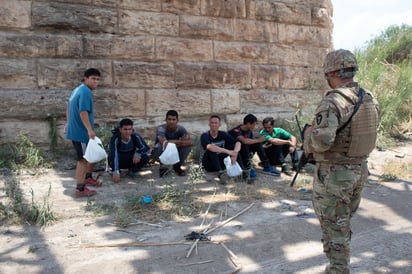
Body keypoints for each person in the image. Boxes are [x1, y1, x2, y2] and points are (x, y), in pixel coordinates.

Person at [303, 49, 379, 273]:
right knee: (341, 225)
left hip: (335, 176)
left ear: (331, 73)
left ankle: (338, 269)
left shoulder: (333, 101)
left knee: (335, 229)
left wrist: (308, 137)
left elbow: (322, 141)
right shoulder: (369, 98)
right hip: (359, 170)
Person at [66, 68, 102, 197]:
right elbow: (83, 112)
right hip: (81, 133)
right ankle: (80, 189)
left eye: (98, 79)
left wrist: (67, 123)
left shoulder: (78, 89)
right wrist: (89, 130)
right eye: (93, 78)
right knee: (83, 160)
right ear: (85, 78)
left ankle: (87, 178)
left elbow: (68, 106)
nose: (96, 82)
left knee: (91, 155)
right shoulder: (86, 92)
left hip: (77, 130)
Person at [200, 115, 242, 181]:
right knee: (211, 151)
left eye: (216, 123)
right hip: (208, 164)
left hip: (221, 162)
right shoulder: (205, 135)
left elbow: (237, 142)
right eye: (212, 123)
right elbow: (209, 147)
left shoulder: (223, 134)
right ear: (209, 124)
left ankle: (242, 172)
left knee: (233, 148)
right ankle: (221, 174)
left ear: (219, 124)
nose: (214, 125)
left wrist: (235, 153)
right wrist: (228, 152)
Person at [152, 110, 193, 177]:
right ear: (166, 120)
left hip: (175, 150)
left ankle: (177, 165)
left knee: (187, 146)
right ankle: (163, 167)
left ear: (177, 120)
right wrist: (180, 142)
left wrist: (173, 143)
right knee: (159, 146)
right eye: (169, 119)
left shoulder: (181, 129)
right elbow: (164, 143)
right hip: (163, 150)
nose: (171, 122)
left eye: (174, 119)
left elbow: (190, 142)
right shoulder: (161, 128)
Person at [109, 118, 150, 183]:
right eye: (125, 129)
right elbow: (114, 154)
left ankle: (132, 170)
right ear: (120, 129)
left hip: (131, 159)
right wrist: (115, 171)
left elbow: (146, 148)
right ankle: (118, 171)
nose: (127, 132)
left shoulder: (135, 136)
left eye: (129, 129)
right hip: (120, 159)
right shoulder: (115, 138)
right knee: (111, 158)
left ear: (132, 129)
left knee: (146, 157)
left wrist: (138, 153)